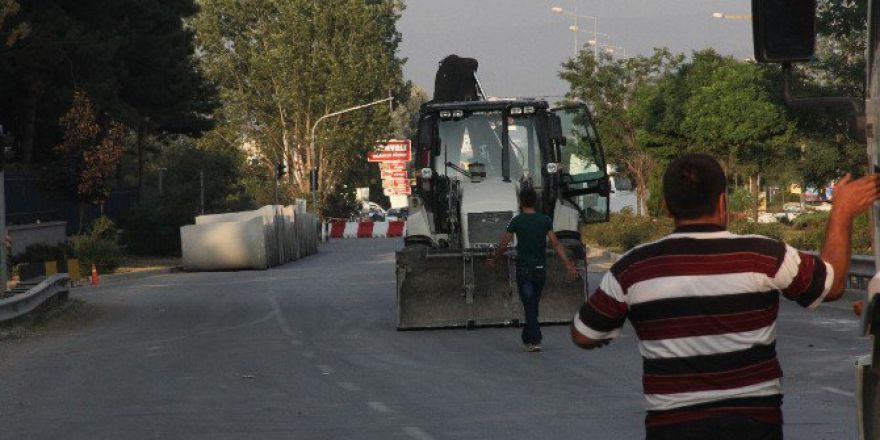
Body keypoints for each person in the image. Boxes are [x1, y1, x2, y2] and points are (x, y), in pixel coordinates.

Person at [570, 154, 880, 440]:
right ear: (722, 202)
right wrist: (842, 212)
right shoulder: (764, 255)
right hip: (753, 425)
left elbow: (584, 335)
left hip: (673, 427)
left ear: (666, 206)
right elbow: (831, 283)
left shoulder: (633, 267)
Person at [488, 187, 579, 352]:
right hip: (539, 270)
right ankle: (528, 338)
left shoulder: (516, 221)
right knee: (533, 304)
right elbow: (556, 244)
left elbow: (504, 243)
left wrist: (494, 259)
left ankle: (533, 340)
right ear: (535, 202)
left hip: (524, 270)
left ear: (520, 202)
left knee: (530, 304)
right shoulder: (545, 220)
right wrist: (568, 264)